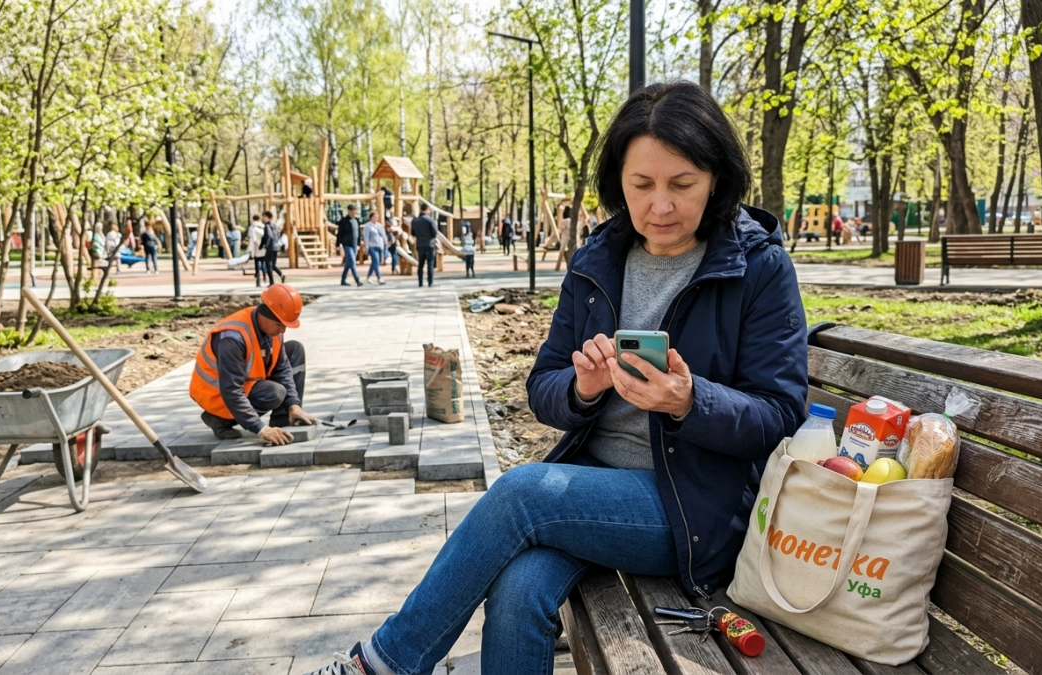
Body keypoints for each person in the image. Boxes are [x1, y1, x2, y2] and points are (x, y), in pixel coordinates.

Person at [304, 80, 807, 675]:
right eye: (641, 185)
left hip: (692, 508)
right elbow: (543, 386)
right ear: (618, 182)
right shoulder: (599, 260)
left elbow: (780, 412)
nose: (660, 206)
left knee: (522, 493)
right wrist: (582, 388)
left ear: (716, 179)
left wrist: (689, 400)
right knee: (517, 590)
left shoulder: (757, 267)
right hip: (593, 488)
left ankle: (384, 662)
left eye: (682, 184)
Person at [190, 284, 316, 442]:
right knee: (275, 392)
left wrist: (293, 404)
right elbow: (232, 390)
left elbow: (282, 369)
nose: (283, 330)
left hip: (243, 385)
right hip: (217, 395)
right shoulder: (232, 338)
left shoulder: (271, 329)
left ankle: (285, 420)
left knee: (295, 349)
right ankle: (219, 419)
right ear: (265, 315)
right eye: (279, 324)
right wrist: (260, 428)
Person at [411, 205, 438, 288]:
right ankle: (430, 282)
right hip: (429, 244)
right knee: (430, 263)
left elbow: (413, 233)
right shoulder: (430, 220)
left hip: (420, 244)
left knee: (421, 264)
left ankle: (420, 282)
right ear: (427, 210)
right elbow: (435, 232)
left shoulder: (415, 220)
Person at [336, 204, 363, 287]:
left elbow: (358, 233)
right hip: (347, 244)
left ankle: (343, 279)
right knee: (352, 261)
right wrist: (338, 244)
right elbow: (339, 233)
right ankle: (357, 279)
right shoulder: (343, 221)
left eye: (355, 211)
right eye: (352, 211)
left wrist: (359, 243)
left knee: (349, 263)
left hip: (354, 244)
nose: (354, 213)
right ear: (349, 211)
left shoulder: (357, 220)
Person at [261, 211, 285, 285]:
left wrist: (266, 245)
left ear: (267, 217)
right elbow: (277, 235)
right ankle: (281, 274)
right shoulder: (274, 226)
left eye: (264, 216)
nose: (263, 218)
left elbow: (269, 236)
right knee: (273, 265)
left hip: (270, 247)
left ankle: (271, 282)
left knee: (268, 265)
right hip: (276, 247)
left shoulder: (267, 226)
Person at [363, 210, 386, 285]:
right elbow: (366, 237)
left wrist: (385, 241)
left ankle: (369, 276)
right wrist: (366, 248)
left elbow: (383, 234)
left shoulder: (379, 225)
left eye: (377, 217)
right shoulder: (368, 226)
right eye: (375, 217)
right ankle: (379, 278)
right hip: (372, 246)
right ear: (371, 217)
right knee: (375, 260)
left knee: (376, 262)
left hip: (379, 245)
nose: (376, 218)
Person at [248, 214, 267, 287]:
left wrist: (250, 250)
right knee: (263, 261)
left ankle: (258, 278)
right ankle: (265, 275)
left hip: (256, 246)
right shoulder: (263, 226)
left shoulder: (252, 227)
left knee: (257, 262)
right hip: (263, 246)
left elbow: (251, 238)